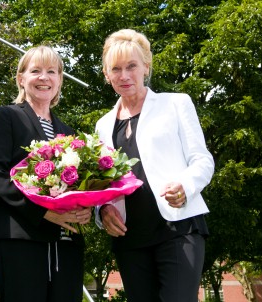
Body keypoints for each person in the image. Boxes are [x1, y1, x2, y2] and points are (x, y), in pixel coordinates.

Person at [95, 29, 214, 302]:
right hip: (130, 238)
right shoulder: (103, 125)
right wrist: (103, 212)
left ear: (146, 67)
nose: (124, 76)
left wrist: (185, 185)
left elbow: (203, 160)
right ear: (106, 74)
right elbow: (103, 183)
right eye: (116, 69)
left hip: (178, 228)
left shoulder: (176, 103)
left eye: (131, 66)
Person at [0, 46, 92, 302]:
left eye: (51, 72)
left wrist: (86, 208)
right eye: (36, 71)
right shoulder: (7, 117)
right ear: (21, 78)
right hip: (21, 241)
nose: (44, 77)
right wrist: (43, 212)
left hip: (66, 245)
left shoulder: (68, 132)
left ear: (59, 81)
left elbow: (80, 185)